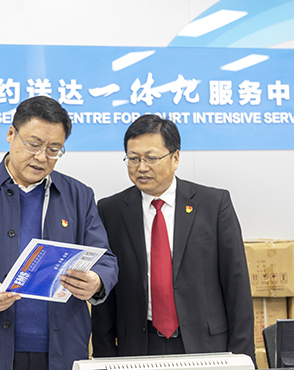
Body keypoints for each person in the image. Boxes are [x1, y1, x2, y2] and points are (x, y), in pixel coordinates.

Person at [0, 95, 119, 370]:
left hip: (63, 347)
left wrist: (97, 280)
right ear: (11, 134)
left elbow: (106, 260)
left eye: (54, 149)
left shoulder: (78, 195)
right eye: (34, 144)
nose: (42, 157)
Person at [91, 114, 255, 361]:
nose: (141, 167)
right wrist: (105, 356)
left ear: (175, 157)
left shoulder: (213, 205)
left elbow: (236, 284)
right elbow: (106, 288)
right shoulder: (110, 210)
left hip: (205, 345)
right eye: (133, 158)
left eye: (151, 158)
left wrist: (242, 357)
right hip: (138, 346)